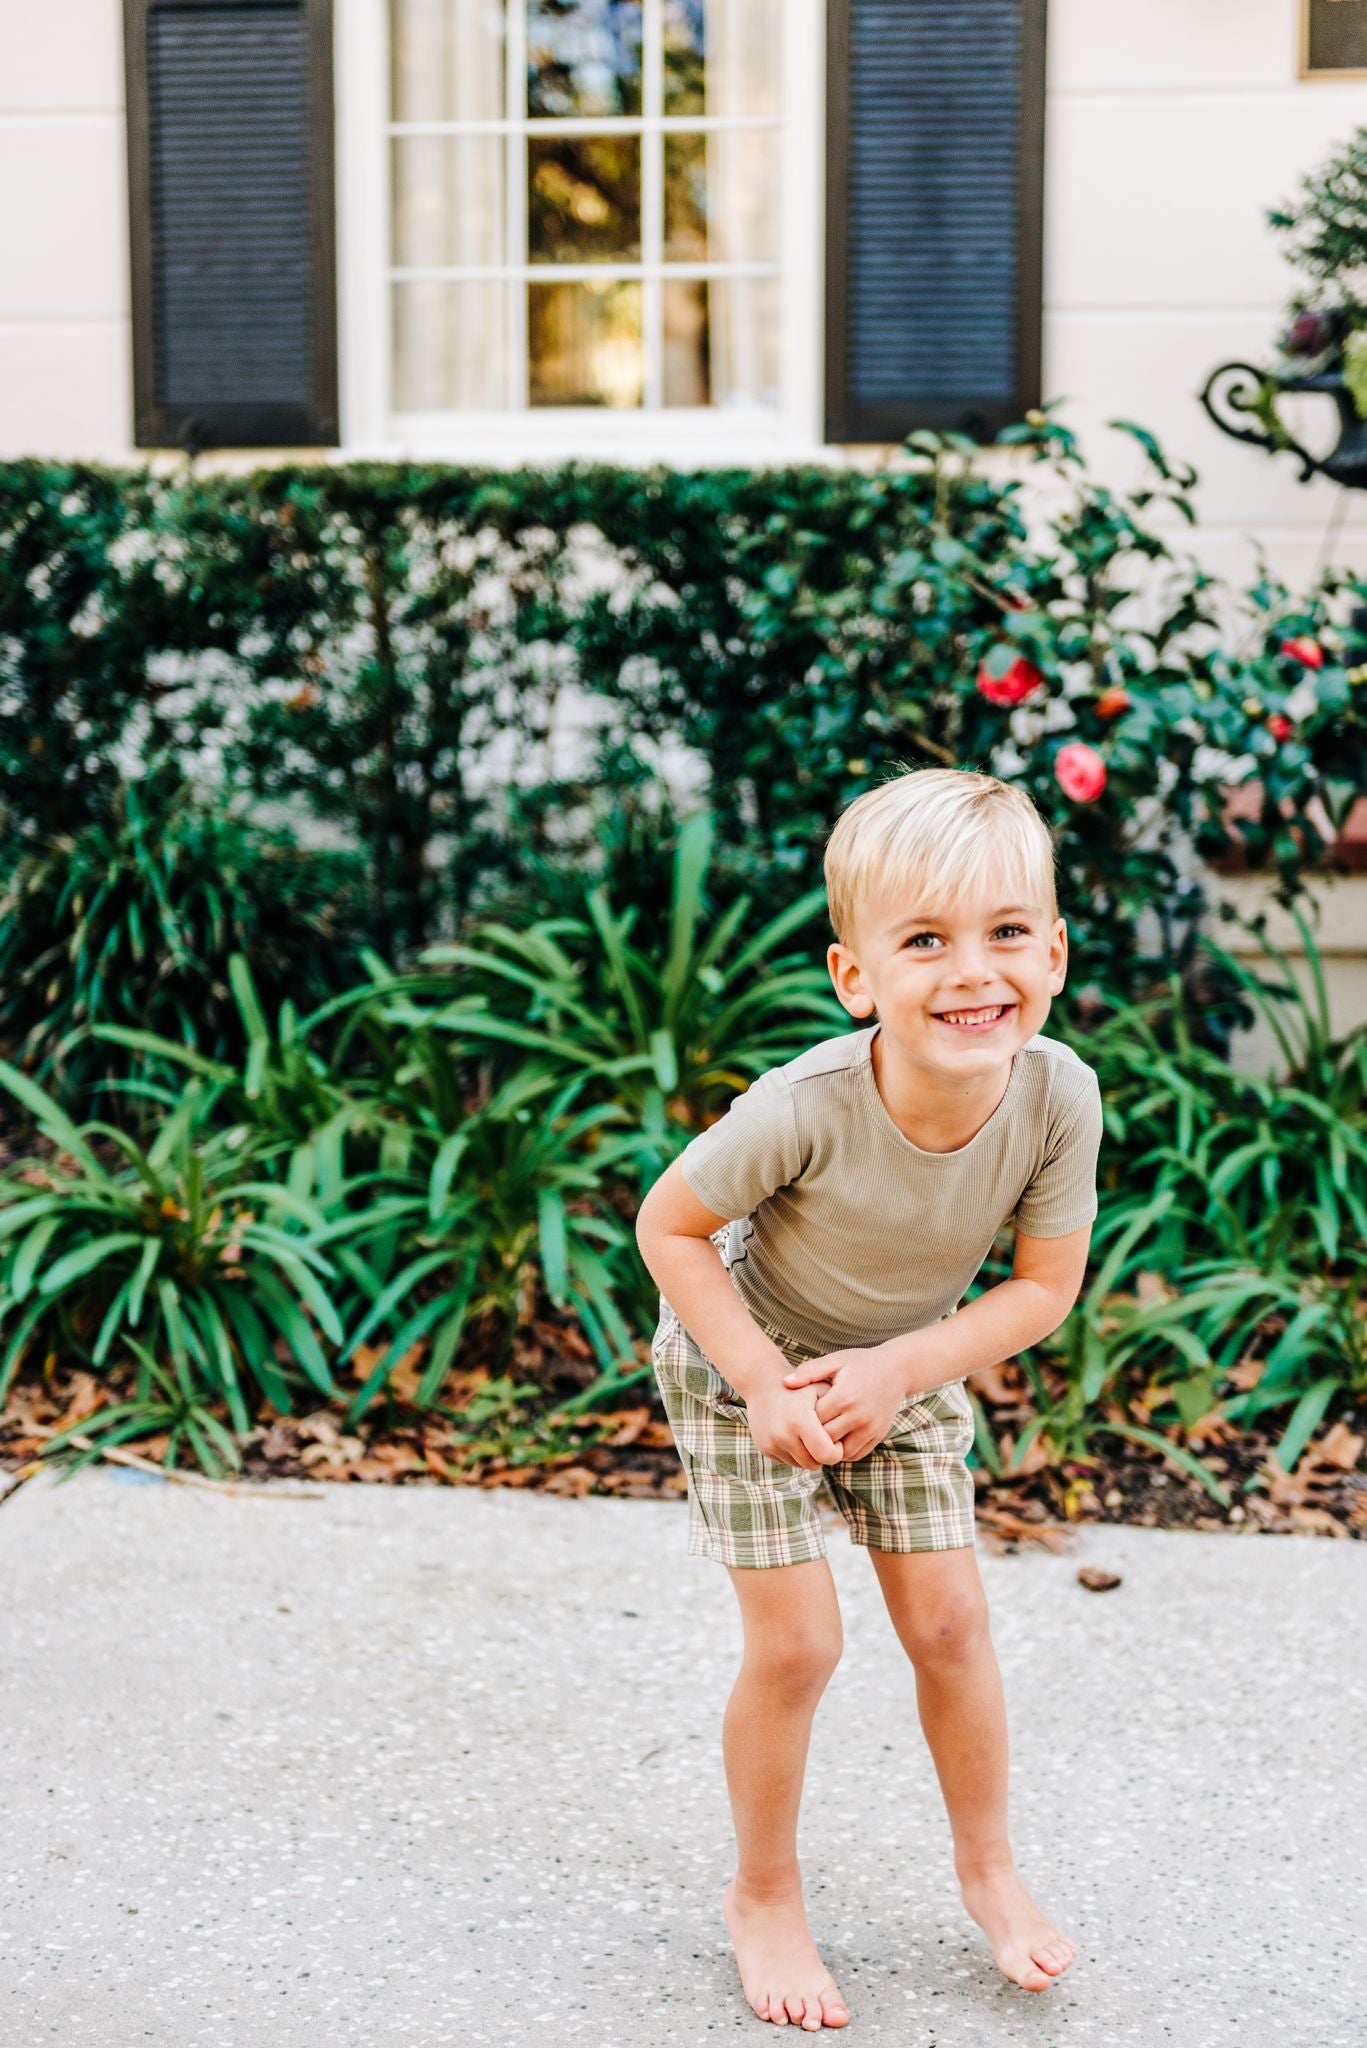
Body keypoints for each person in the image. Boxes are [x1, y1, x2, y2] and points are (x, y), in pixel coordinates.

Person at [634, 765, 1104, 2032]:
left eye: (1007, 932)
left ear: (1053, 951)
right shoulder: (807, 1103)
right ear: (857, 977)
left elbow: (1042, 1288)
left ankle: (989, 1869)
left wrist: (900, 1366)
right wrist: (758, 1380)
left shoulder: (1057, 1094)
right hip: (747, 1350)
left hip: (903, 1355)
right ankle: (764, 1893)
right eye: (925, 941)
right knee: (798, 1644)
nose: (973, 971)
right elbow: (669, 1225)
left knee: (949, 1623)